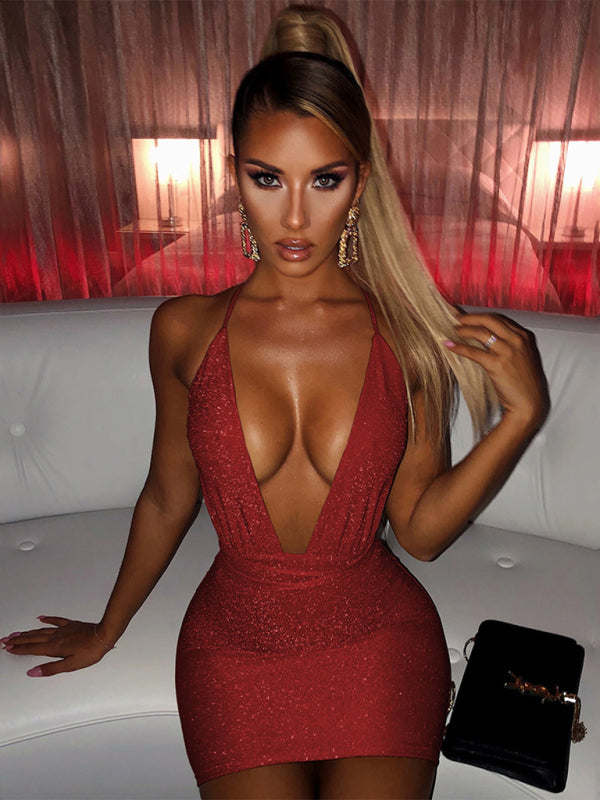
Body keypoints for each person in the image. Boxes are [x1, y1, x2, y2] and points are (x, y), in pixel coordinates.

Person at [1, 8, 548, 800]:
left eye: (325, 180)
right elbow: (167, 495)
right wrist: (108, 626)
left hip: (377, 638)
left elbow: (421, 536)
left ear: (360, 182)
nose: (295, 218)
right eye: (268, 178)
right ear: (235, 175)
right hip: (235, 646)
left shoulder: (408, 338)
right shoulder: (184, 330)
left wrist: (519, 419)